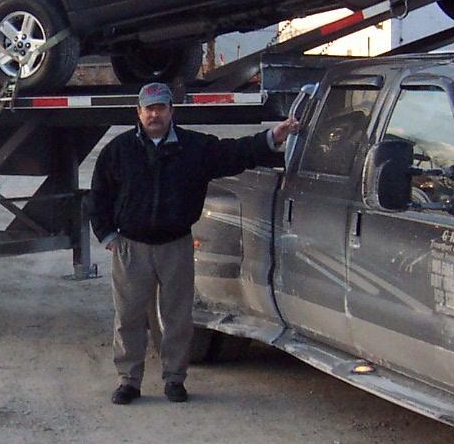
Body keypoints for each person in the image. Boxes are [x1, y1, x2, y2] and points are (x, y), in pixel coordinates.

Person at [89, 82, 300, 404]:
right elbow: (99, 195)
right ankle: (128, 381)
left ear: (171, 111)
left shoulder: (195, 148)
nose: (155, 114)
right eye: (149, 108)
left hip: (176, 246)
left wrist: (274, 137)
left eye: (161, 107)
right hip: (131, 247)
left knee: (177, 317)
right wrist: (107, 235)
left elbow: (236, 153)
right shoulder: (118, 151)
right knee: (129, 317)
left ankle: (175, 379)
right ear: (139, 112)